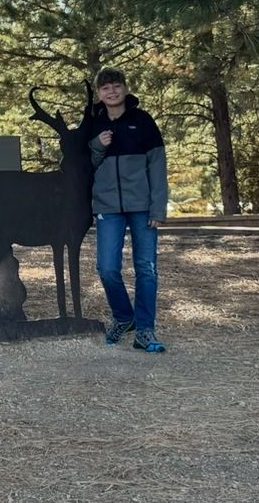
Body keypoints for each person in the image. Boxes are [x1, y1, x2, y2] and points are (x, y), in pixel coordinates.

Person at [89, 67, 168, 353]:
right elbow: (83, 165)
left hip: (143, 207)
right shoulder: (93, 124)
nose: (111, 91)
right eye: (105, 88)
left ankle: (145, 330)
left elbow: (158, 165)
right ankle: (124, 317)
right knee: (107, 268)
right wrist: (97, 146)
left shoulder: (143, 121)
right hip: (107, 207)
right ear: (99, 94)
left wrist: (158, 208)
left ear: (125, 88)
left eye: (116, 86)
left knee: (146, 268)